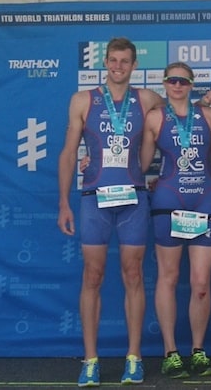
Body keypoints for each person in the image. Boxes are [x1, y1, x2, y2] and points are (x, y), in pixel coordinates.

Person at [57, 37, 157, 387]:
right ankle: (91, 360)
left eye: (125, 61)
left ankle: (134, 357)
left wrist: (207, 101)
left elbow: (180, 116)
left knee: (133, 275)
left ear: (134, 65)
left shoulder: (146, 99)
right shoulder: (84, 100)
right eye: (113, 60)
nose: (118, 66)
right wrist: (64, 203)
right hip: (93, 198)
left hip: (133, 200)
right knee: (93, 277)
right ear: (105, 63)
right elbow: (70, 153)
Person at [140, 61, 211, 379]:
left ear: (191, 85)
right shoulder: (155, 118)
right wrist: (94, 162)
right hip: (168, 202)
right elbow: (143, 162)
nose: (177, 85)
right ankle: (170, 352)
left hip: (202, 200)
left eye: (183, 81)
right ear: (165, 84)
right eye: (172, 80)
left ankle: (198, 352)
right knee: (169, 278)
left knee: (201, 283)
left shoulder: (210, 117)